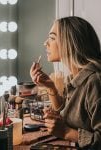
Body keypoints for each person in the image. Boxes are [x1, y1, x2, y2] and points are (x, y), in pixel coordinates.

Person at [30, 16, 101, 150]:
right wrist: (50, 87)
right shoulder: (74, 77)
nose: (45, 43)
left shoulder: (95, 82)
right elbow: (69, 113)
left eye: (52, 38)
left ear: (70, 42)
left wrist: (66, 132)